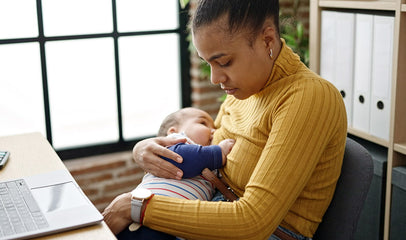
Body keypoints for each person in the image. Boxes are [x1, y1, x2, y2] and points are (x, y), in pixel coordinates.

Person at [102, 0, 347, 239]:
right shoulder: (247, 88)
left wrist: (136, 207)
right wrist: (143, 149)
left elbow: (253, 222)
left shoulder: (309, 96)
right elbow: (208, 146)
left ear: (267, 40)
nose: (214, 77)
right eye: (208, 63)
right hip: (210, 204)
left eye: (224, 62)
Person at [115, 107, 235, 240]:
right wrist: (219, 152)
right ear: (173, 131)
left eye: (213, 127)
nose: (213, 131)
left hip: (174, 227)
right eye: (203, 123)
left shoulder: (211, 166)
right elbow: (185, 160)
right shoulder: (174, 144)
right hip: (144, 223)